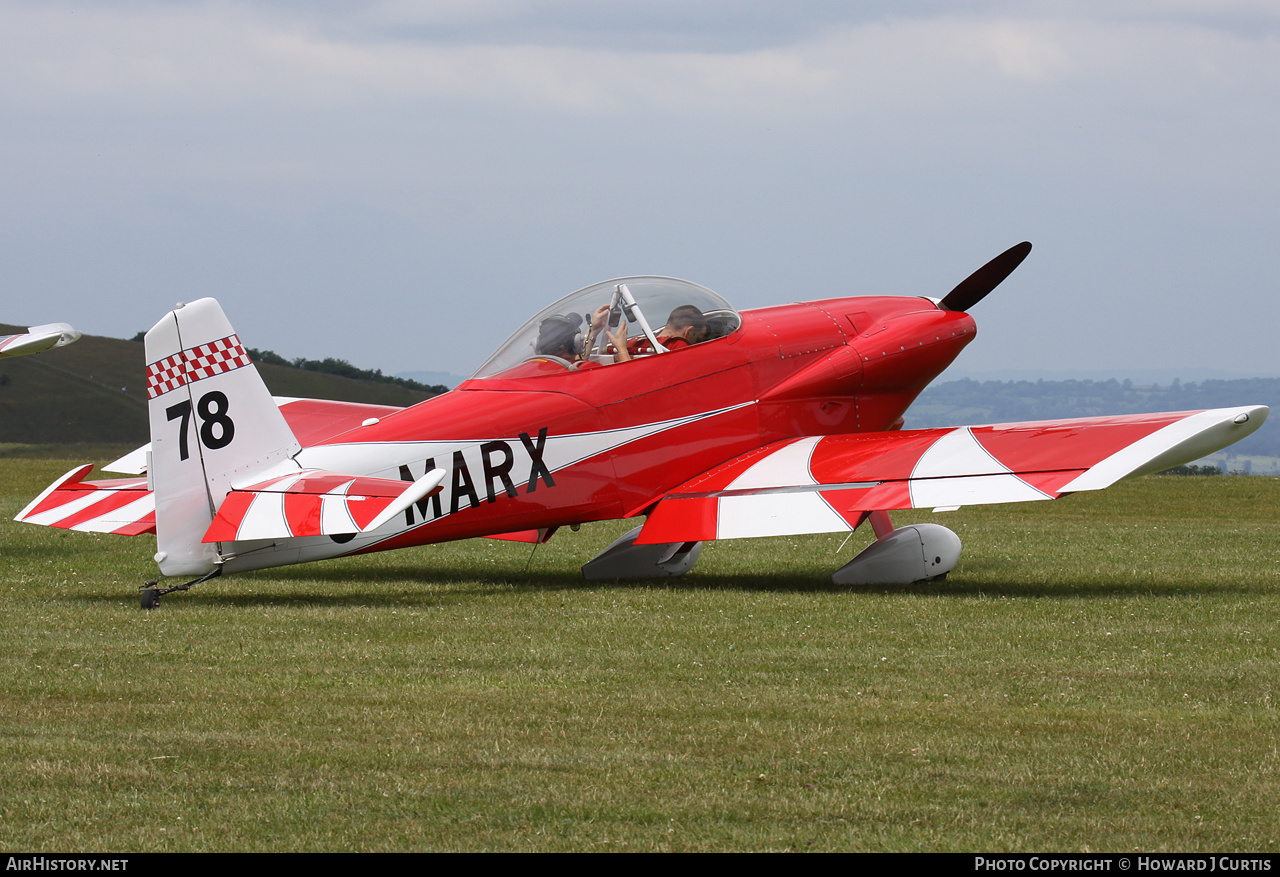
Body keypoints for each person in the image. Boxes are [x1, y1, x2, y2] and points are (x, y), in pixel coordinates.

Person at [614, 305, 707, 362]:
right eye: (698, 339)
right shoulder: (679, 345)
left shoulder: (634, 343)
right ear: (689, 331)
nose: (695, 344)